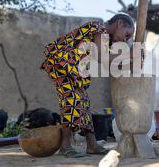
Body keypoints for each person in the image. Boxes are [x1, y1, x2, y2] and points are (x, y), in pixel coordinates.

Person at [40, 13, 135, 157]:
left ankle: (92, 145)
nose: (125, 39)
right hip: (61, 63)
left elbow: (108, 61)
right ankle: (65, 146)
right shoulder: (99, 28)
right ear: (120, 23)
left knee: (83, 103)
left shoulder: (106, 41)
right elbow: (101, 57)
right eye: (127, 34)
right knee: (70, 101)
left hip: (74, 70)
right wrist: (128, 55)